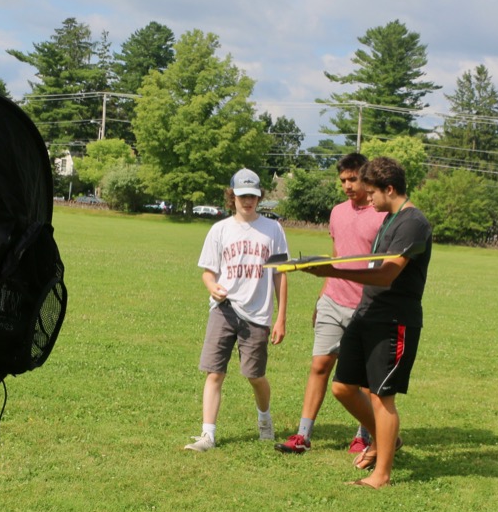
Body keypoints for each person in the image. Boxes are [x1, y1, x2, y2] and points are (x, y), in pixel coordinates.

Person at [303, 157, 431, 488]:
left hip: (393, 320)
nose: (367, 197)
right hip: (367, 313)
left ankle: (381, 475)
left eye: (372, 191)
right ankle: (386, 439)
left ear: (390, 189)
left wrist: (331, 270)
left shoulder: (413, 223)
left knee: (381, 396)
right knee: (343, 387)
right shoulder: (389, 218)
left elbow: (388, 273)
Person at [275, 153, 386, 456]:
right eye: (343, 181)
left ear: (367, 178)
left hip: (365, 307)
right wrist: (321, 297)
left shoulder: (382, 215)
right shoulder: (337, 212)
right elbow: (337, 254)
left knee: (364, 378)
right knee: (320, 366)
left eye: (353, 179)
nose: (348, 186)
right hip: (332, 301)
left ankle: (362, 436)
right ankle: (302, 435)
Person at [185, 169, 289, 451]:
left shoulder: (273, 229)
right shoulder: (220, 229)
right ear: (232, 196)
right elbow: (208, 272)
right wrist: (211, 287)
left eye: (253, 196)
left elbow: (280, 274)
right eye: (242, 196)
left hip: (258, 314)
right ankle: (208, 434)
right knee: (214, 372)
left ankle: (265, 419)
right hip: (224, 309)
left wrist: (281, 317)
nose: (248, 201)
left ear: (259, 197)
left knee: (254, 375)